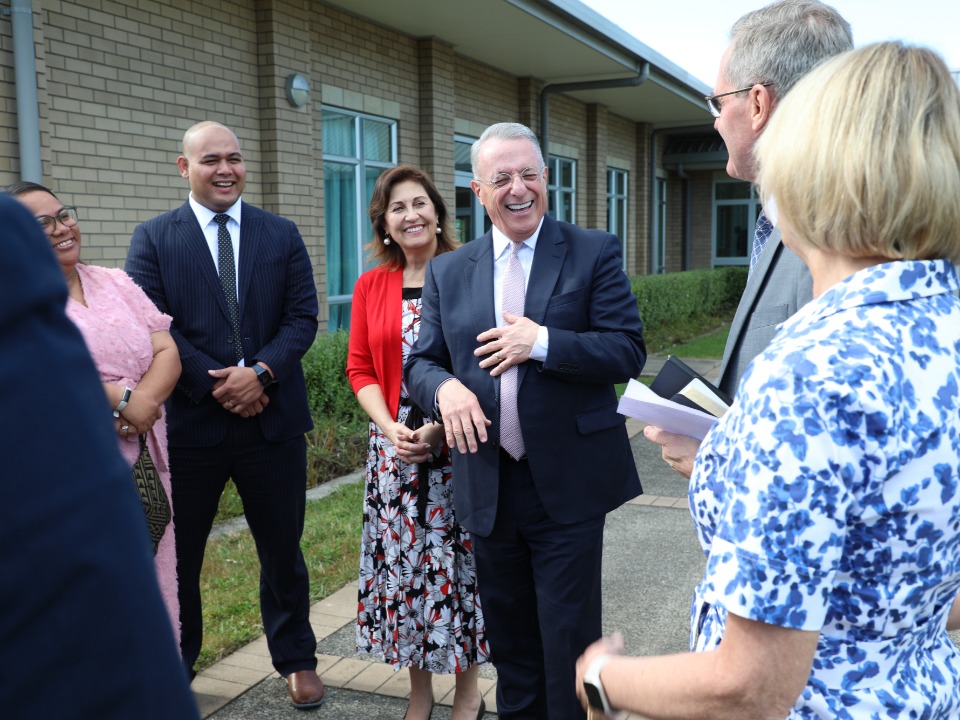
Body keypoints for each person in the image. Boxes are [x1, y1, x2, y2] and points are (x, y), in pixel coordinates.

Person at [576, 41, 960, 719]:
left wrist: (605, 680)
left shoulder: (814, 371)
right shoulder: (944, 326)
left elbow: (749, 686)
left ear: (812, 172)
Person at [405, 122, 646, 719]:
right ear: (478, 191)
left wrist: (541, 341)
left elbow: (626, 349)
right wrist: (447, 392)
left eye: (529, 174)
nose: (519, 188)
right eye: (502, 178)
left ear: (546, 181)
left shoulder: (591, 251)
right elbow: (420, 364)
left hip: (565, 482)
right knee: (511, 646)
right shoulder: (449, 270)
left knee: (567, 643)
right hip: (487, 483)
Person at [125, 120, 325, 708]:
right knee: (179, 554)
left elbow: (302, 318)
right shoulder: (154, 238)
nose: (226, 170)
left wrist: (260, 373)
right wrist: (222, 384)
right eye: (210, 160)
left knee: (282, 548)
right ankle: (178, 660)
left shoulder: (280, 233)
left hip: (273, 423)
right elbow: (153, 327)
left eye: (234, 158)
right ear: (183, 168)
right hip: (191, 427)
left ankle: (296, 658)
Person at [0, 192, 199, 719]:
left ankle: (160, 675)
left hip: (147, 448)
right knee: (107, 585)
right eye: (41, 223)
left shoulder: (113, 280)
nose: (60, 228)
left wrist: (145, 404)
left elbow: (167, 349)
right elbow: (49, 368)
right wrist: (124, 399)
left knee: (155, 574)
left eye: (64, 215)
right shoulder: (24, 303)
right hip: (86, 459)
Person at [644, 0, 852, 478]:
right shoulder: (787, 220)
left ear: (757, 103)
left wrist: (711, 461)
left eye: (719, 102)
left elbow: (828, 459)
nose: (715, 120)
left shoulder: (836, 240)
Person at [347, 165, 489, 720]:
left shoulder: (469, 274)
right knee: (407, 572)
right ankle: (420, 690)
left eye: (420, 204)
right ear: (384, 223)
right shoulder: (371, 285)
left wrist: (439, 430)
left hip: (458, 442)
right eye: (398, 208)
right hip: (395, 454)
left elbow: (482, 364)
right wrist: (391, 429)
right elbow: (360, 368)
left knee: (459, 568)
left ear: (438, 212)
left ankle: (470, 689)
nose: (411, 215)